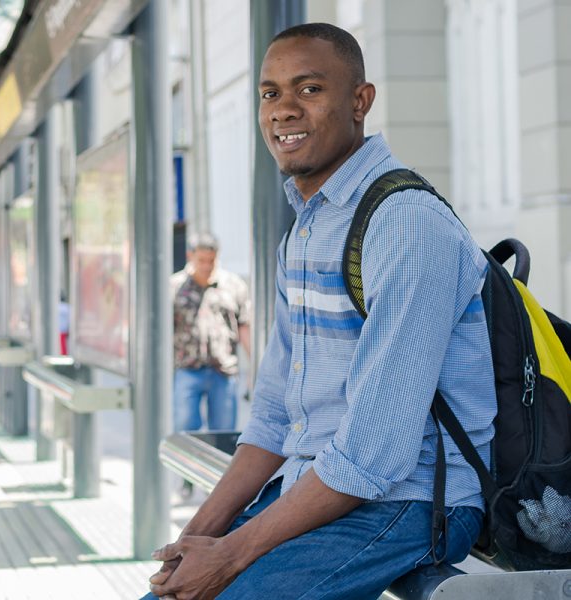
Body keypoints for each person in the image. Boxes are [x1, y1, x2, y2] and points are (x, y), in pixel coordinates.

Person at [145, 23, 497, 600]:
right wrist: (196, 537)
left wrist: (231, 553)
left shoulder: (404, 223)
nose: (282, 110)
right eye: (269, 94)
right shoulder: (307, 230)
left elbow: (373, 457)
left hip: (411, 500)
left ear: (360, 102)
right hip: (315, 486)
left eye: (308, 90)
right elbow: (275, 414)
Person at [170, 232, 250, 434]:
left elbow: (244, 327)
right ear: (190, 256)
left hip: (223, 371)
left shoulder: (234, 286)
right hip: (187, 368)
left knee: (224, 434)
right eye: (201, 260)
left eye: (211, 261)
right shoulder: (174, 287)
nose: (206, 266)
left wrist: (255, 367)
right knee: (185, 432)